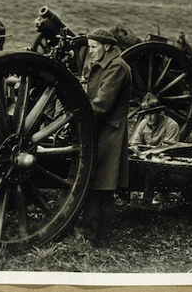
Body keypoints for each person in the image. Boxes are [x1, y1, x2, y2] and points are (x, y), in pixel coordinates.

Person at [82, 27, 132, 245]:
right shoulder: (104, 64)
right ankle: (93, 235)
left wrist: (77, 119)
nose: (90, 51)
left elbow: (101, 105)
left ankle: (98, 237)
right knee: (96, 183)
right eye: (89, 47)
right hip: (99, 129)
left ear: (107, 47)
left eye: (94, 47)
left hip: (109, 132)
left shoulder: (117, 67)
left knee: (102, 185)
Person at [129, 92, 180, 204]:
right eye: (146, 114)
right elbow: (134, 144)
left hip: (165, 161)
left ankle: (162, 193)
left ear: (159, 112)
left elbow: (168, 150)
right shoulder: (143, 124)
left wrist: (148, 152)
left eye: (152, 113)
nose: (149, 117)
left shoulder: (171, 125)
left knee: (160, 163)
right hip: (147, 158)